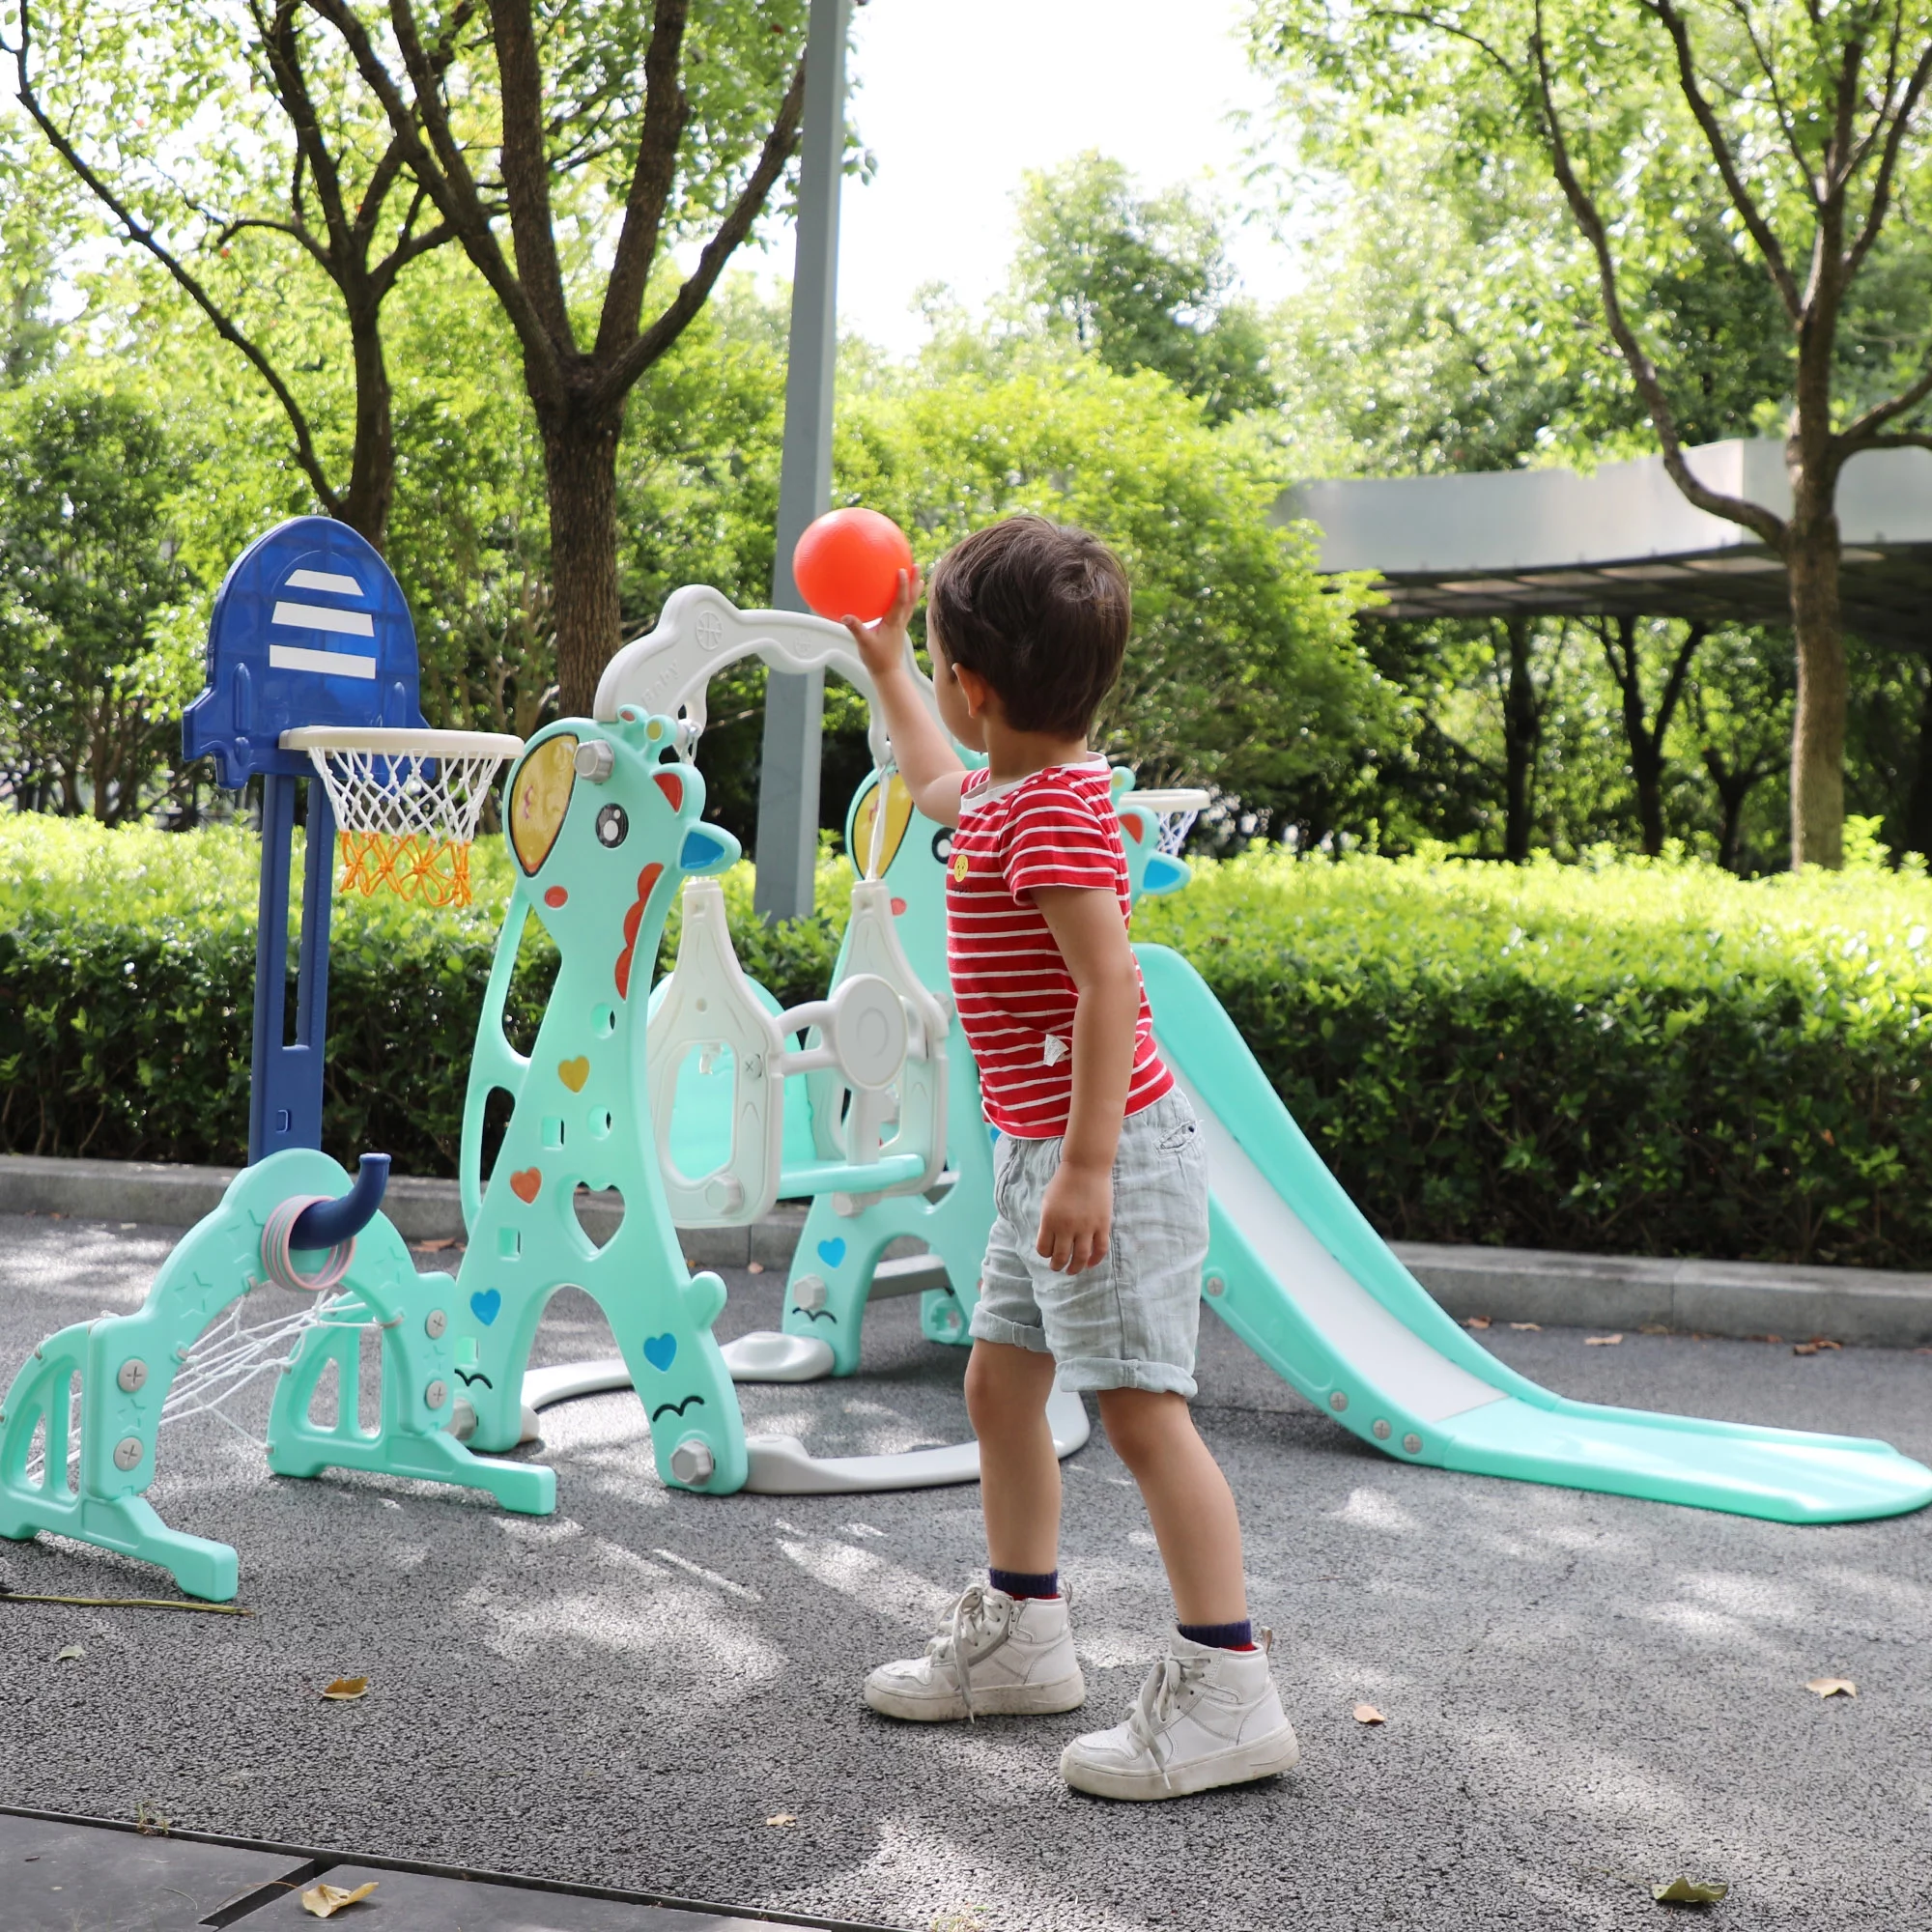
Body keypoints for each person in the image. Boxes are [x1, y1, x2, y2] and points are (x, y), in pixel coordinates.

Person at [841, 515, 1298, 1802]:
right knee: (1000, 1384)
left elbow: (1110, 986)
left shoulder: (1053, 819)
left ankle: (1229, 1687)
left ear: (977, 686)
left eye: (933, 663)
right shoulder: (1005, 792)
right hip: (1043, 1152)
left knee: (1144, 1415)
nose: (934, 689)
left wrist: (1090, 1166)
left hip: (1110, 1159)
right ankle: (1029, 1636)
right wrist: (883, 665)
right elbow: (933, 784)